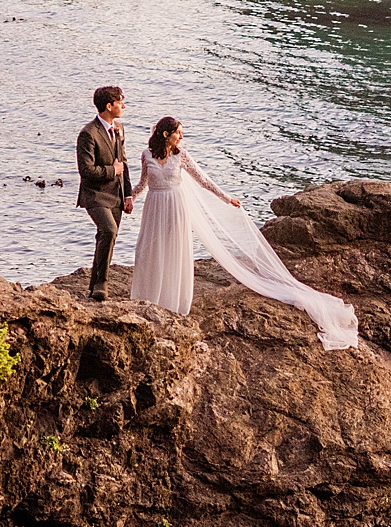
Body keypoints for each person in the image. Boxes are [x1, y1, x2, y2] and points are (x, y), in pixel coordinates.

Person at [125, 116, 359, 351]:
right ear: (166, 134)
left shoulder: (181, 155)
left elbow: (203, 180)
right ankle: (150, 295)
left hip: (176, 207)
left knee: (174, 251)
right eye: (178, 133)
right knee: (151, 249)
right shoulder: (146, 155)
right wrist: (130, 198)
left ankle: (173, 301)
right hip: (154, 207)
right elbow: (143, 183)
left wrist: (227, 198)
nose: (182, 137)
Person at [74, 85, 133, 300]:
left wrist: (128, 195)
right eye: (120, 102)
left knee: (105, 238)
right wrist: (112, 170)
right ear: (109, 106)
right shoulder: (88, 134)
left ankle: (93, 286)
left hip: (116, 195)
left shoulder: (119, 129)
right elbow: (86, 170)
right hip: (95, 195)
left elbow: (124, 163)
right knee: (109, 230)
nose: (123, 106)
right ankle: (102, 283)